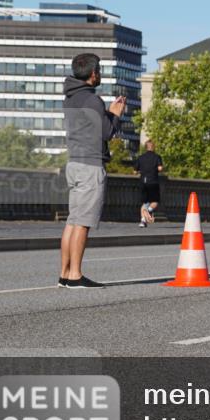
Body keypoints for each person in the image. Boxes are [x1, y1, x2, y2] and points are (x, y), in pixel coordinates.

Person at [58, 53, 125, 289]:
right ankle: (76, 275)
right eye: (100, 71)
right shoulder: (93, 100)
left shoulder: (70, 98)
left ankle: (64, 274)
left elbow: (89, 125)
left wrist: (107, 114)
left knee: (73, 221)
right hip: (90, 165)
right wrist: (115, 115)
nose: (101, 75)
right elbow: (106, 133)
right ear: (93, 73)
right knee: (83, 223)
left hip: (74, 163)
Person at [133, 140, 163, 228]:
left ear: (146, 147)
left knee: (144, 202)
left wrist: (142, 171)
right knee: (155, 201)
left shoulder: (140, 157)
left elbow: (134, 171)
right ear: (153, 147)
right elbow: (160, 168)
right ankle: (149, 210)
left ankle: (142, 221)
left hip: (143, 182)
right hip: (153, 181)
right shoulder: (157, 157)